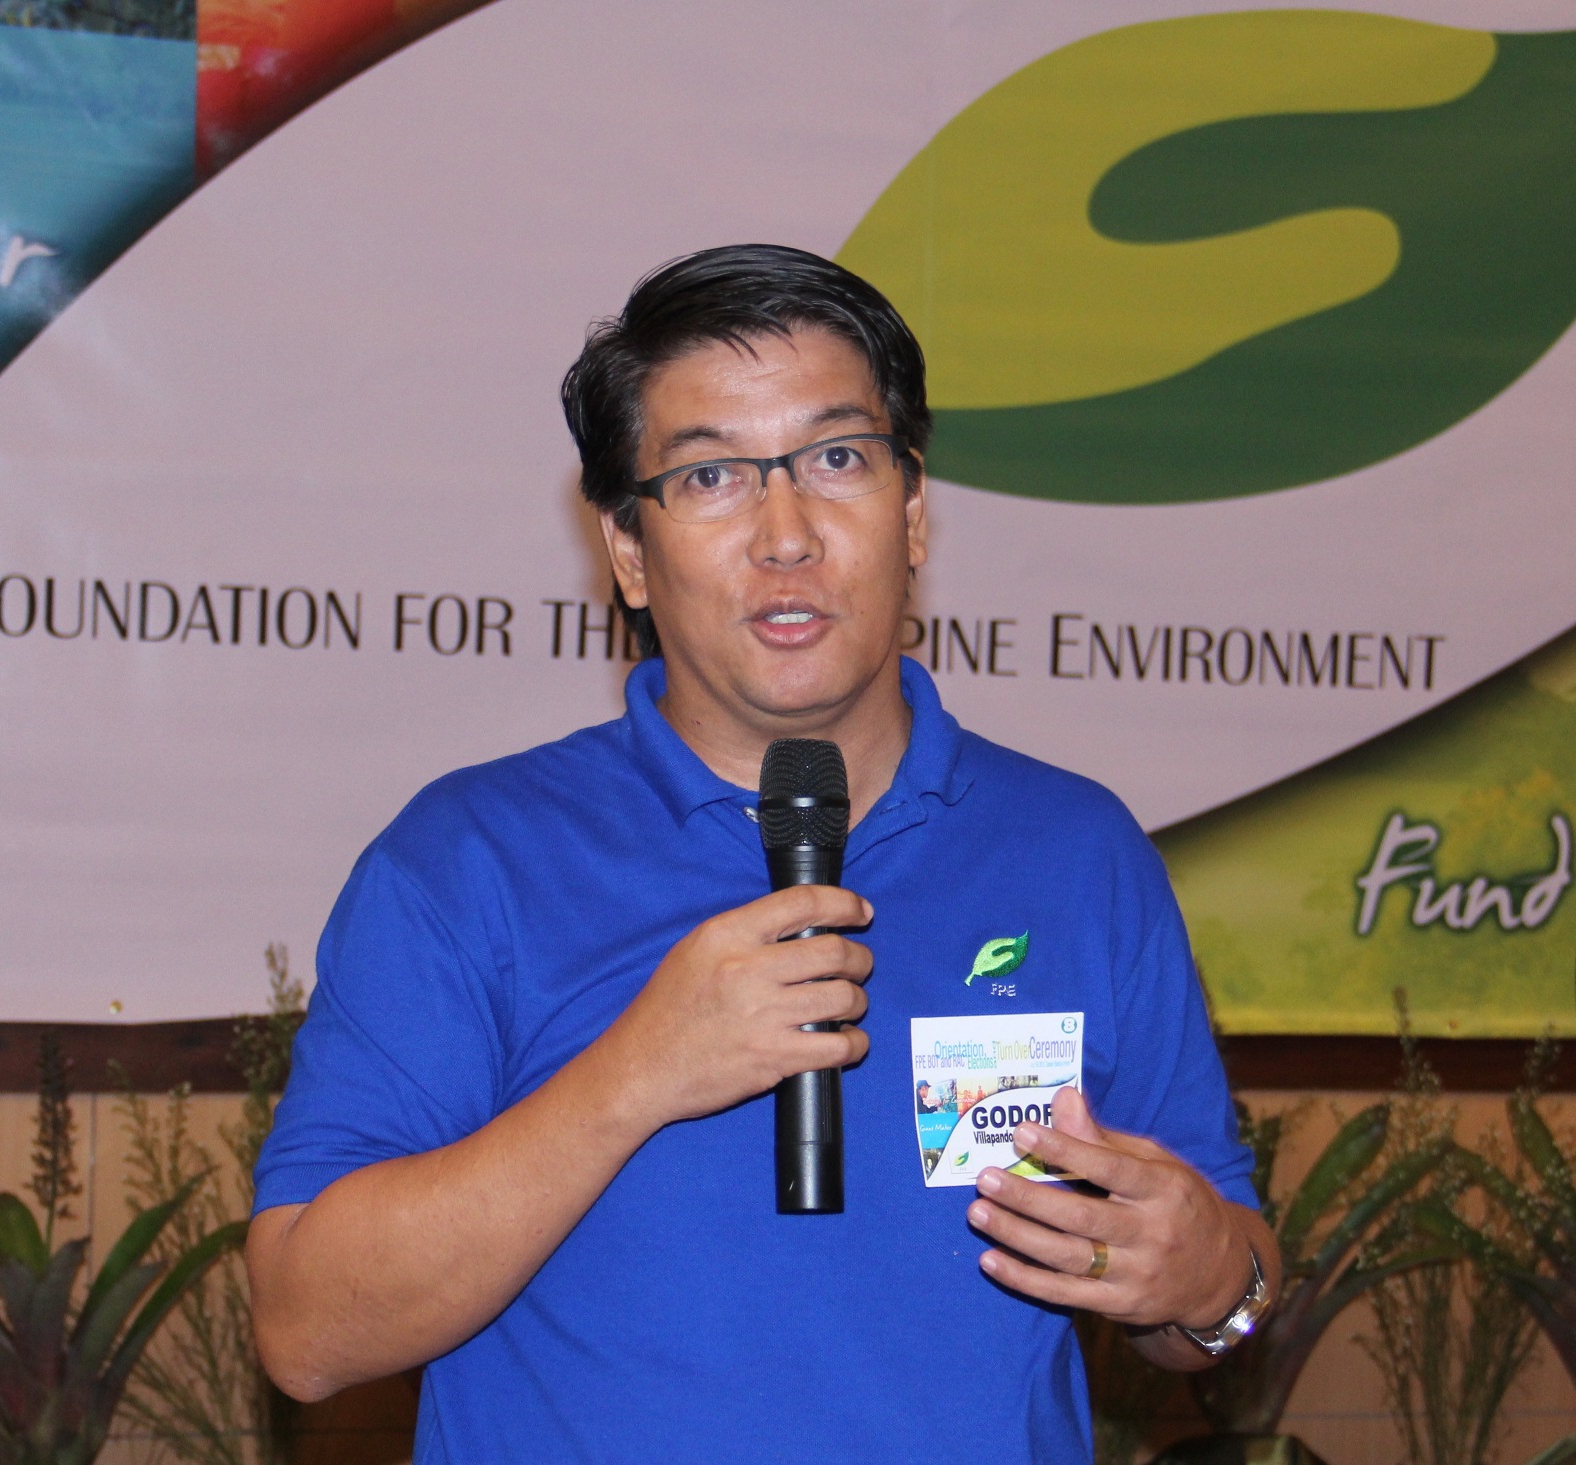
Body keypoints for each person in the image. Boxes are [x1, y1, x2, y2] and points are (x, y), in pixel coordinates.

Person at [246, 244, 1275, 1464]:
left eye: (839, 458)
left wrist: (1211, 1280)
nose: (786, 534)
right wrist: (636, 1072)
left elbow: (1217, 1266)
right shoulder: (466, 862)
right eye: (713, 476)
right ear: (629, 553)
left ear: (914, 509)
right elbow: (307, 1331)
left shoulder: (1076, 848)